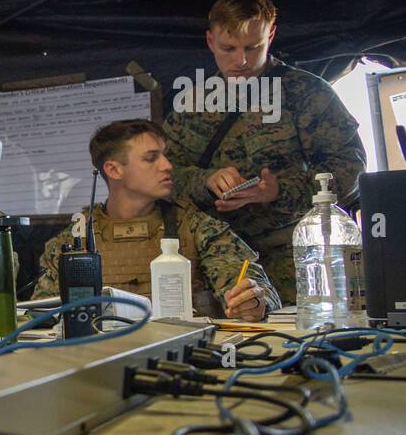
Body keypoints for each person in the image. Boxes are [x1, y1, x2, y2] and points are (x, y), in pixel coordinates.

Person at [164, 0, 366, 302]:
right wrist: (206, 182)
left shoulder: (309, 94)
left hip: (302, 262)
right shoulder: (191, 104)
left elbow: (349, 170)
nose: (241, 60)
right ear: (210, 41)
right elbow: (165, 176)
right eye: (228, 48)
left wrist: (278, 191)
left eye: (252, 47)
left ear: (271, 36)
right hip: (220, 264)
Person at [33, 120, 280, 320]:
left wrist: (253, 301)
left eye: (165, 155)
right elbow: (40, 315)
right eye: (151, 158)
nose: (168, 165)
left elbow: (257, 290)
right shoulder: (74, 242)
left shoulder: (195, 226)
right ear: (114, 170)